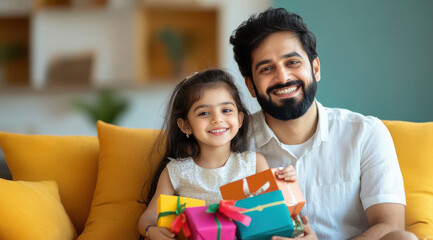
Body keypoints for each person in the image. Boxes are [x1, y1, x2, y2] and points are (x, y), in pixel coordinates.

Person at [230, 7, 417, 240]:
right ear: (250, 86)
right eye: (267, 68)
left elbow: (390, 226)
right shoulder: (230, 141)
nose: (283, 77)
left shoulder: (366, 133)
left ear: (315, 68)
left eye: (292, 62)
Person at [137, 69, 297, 240]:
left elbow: (274, 212)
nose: (217, 119)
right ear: (185, 126)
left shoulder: (254, 163)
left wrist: (286, 182)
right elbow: (148, 216)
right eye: (204, 113)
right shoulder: (175, 171)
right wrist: (150, 230)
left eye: (226, 110)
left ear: (240, 119)